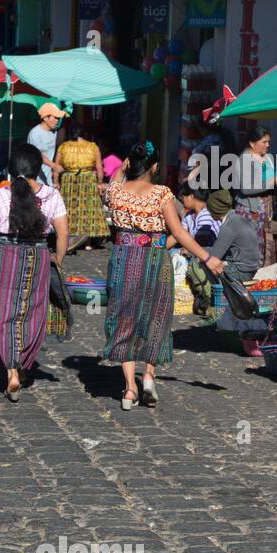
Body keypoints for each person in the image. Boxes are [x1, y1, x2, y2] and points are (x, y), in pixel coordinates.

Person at [103, 142, 225, 411]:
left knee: (126, 317)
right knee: (157, 315)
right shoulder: (162, 194)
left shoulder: (115, 192)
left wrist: (122, 169)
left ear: (130, 163)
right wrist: (207, 257)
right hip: (155, 260)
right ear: (155, 167)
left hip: (124, 259)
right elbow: (179, 233)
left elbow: (113, 182)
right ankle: (148, 376)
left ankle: (129, 389)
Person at [0, 144, 69, 402]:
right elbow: (64, 233)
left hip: (4, 257)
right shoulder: (52, 196)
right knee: (33, 311)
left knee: (4, 313)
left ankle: (11, 370)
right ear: (39, 168)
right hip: (38, 257)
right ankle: (23, 362)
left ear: (10, 171)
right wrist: (58, 257)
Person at [55, 120, 107, 251]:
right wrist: (100, 183)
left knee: (70, 209)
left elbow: (56, 167)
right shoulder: (92, 146)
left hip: (69, 179)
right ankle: (87, 242)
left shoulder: (63, 147)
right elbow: (99, 168)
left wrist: (56, 182)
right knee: (87, 209)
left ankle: (70, 240)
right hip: (88, 179)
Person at [235, 124, 277, 266]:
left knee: (266, 247)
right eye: (264, 142)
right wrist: (271, 182)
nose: (267, 145)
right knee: (252, 248)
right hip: (250, 211)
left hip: (266, 210)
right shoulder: (244, 160)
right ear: (252, 143)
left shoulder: (268, 158)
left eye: (269, 142)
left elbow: (270, 178)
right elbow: (246, 188)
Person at [27, 103, 66, 187]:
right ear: (45, 118)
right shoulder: (35, 133)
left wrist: (55, 180)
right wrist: (54, 166)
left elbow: (58, 150)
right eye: (55, 117)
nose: (57, 120)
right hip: (35, 180)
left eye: (58, 118)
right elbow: (38, 154)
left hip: (48, 180)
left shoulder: (54, 131)